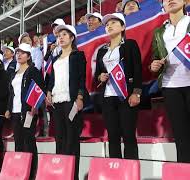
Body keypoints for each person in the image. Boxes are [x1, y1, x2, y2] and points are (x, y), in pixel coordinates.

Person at [95, 13, 142, 159]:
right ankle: (115, 171)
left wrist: (136, 93)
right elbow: (98, 73)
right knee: (113, 136)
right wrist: (100, 76)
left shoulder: (130, 44)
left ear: (123, 27)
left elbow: (137, 69)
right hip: (108, 97)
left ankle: (131, 171)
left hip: (126, 95)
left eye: (114, 23)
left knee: (128, 135)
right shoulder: (102, 50)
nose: (109, 26)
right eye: (107, 24)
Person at [150, 0, 190, 163]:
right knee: (181, 136)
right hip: (170, 86)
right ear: (163, 6)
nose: (170, 0)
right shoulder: (159, 32)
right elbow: (155, 57)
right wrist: (154, 65)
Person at [46, 24, 88, 180]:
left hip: (71, 101)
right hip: (57, 101)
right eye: (58, 35)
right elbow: (52, 79)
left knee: (72, 138)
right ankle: (61, 174)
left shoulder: (78, 55)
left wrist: (80, 97)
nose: (60, 37)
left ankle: (72, 176)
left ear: (72, 38)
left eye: (64, 34)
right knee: (60, 137)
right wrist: (49, 92)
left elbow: (82, 78)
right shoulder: (55, 59)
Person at [5, 43, 44, 179]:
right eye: (17, 53)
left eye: (22, 53)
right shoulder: (14, 74)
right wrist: (9, 109)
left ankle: (32, 174)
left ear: (28, 56)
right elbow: (12, 93)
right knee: (18, 142)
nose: (19, 55)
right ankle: (20, 172)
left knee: (29, 142)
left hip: (28, 112)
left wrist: (34, 106)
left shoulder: (33, 70)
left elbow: (40, 89)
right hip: (15, 112)